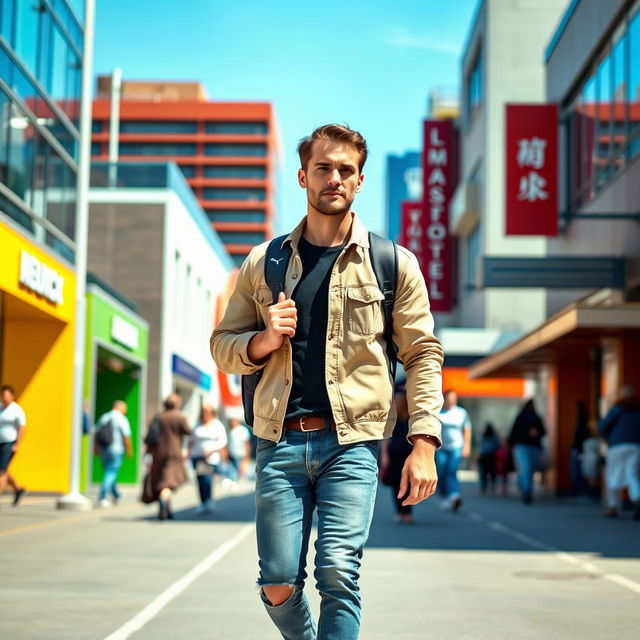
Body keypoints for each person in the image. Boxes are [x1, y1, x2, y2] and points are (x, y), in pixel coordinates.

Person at [211, 123, 443, 640]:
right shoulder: (263, 263)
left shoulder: (393, 264)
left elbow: (423, 354)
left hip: (352, 444)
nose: (334, 178)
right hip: (280, 441)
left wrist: (423, 442)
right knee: (277, 584)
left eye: (345, 170)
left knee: (339, 571)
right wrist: (262, 342)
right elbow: (222, 346)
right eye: (323, 168)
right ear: (303, 176)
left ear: (359, 181)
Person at [142, 393, 191, 520]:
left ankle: (167, 509)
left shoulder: (159, 416)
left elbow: (150, 436)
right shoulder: (179, 417)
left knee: (162, 479)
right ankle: (164, 500)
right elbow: (188, 431)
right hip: (174, 453)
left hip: (159, 452)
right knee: (168, 482)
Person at [598, 386, 640, 520]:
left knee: (611, 474)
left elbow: (603, 426)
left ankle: (612, 506)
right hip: (635, 445)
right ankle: (637, 497)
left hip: (617, 445)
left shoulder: (617, 410)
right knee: (632, 474)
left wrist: (606, 437)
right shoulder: (638, 410)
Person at [379, 383, 415, 523]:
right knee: (409, 484)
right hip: (407, 454)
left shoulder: (393, 420)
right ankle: (407, 513)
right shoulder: (411, 420)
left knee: (397, 485)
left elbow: (386, 439)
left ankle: (400, 512)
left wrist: (384, 456)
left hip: (395, 454)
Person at [188, 404, 227, 514]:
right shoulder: (198, 424)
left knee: (206, 479)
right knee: (200, 479)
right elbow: (191, 439)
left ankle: (207, 501)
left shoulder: (217, 425)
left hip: (209, 458)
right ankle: (203, 501)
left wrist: (211, 450)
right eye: (204, 412)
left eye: (208, 413)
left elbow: (222, 441)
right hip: (197, 456)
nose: (205, 415)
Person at [436, 390, 472, 511]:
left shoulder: (461, 413)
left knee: (451, 471)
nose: (451, 400)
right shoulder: (438, 412)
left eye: (454, 398)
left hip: (456, 447)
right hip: (440, 447)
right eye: (449, 398)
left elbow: (467, 430)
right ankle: (445, 496)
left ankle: (454, 495)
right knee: (441, 471)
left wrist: (467, 446)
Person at [94, 400, 133, 508]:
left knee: (109, 472)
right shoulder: (121, 419)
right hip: (116, 449)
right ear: (120, 408)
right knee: (111, 472)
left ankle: (116, 494)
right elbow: (126, 436)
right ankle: (102, 497)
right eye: (125, 408)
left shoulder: (104, 417)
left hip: (103, 449)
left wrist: (96, 448)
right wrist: (129, 450)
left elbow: (97, 433)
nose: (126, 411)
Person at [508, 399, 546, 504]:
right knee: (526, 468)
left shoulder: (536, 418)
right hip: (522, 447)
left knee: (529, 470)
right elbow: (513, 434)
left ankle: (522, 483)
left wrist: (536, 433)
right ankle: (527, 491)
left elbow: (543, 432)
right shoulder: (520, 418)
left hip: (533, 447)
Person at [0, 385, 27, 506]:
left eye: (7, 396)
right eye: (3, 396)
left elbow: (22, 428)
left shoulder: (17, 410)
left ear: (12, 396)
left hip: (9, 443)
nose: (5, 399)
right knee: (2, 469)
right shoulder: (0, 407)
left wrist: (17, 444)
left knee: (2, 470)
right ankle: (18, 488)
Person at [570, 401, 591, 497]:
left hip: (579, 448)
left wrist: (577, 446)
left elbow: (580, 435)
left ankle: (579, 490)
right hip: (580, 447)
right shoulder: (583, 420)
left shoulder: (582, 420)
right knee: (579, 470)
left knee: (578, 470)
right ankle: (580, 489)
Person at [477, 422, 500, 494]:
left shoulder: (483, 436)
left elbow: (480, 447)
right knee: (491, 473)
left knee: (484, 473)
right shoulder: (494, 437)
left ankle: (485, 487)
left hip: (487, 457)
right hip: (490, 457)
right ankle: (490, 486)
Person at [227, 417, 251, 482]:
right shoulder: (231, 430)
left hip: (240, 454)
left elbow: (246, 443)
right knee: (233, 472)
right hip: (232, 454)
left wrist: (247, 456)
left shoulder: (242, 430)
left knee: (241, 471)